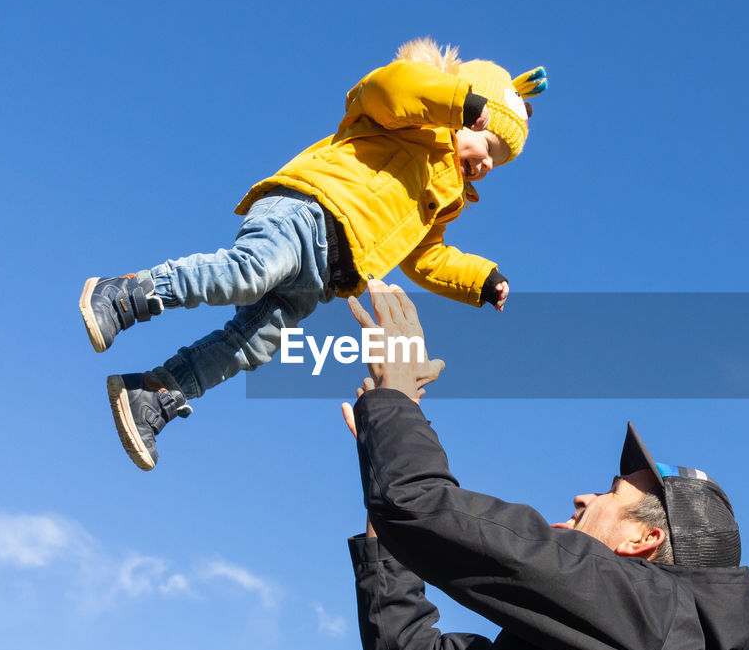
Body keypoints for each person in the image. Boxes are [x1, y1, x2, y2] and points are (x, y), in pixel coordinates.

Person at [341, 281, 749, 650]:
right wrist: (385, 488)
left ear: (643, 541)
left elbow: (422, 505)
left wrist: (395, 402)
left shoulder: (652, 606)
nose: (584, 496)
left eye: (611, 493)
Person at [79, 38, 546, 470]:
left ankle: (153, 392)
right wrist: (455, 98)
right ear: (463, 112)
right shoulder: (410, 121)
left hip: (325, 278)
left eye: (495, 165)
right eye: (488, 145)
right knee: (250, 272)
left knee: (256, 342)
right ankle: (125, 295)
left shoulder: (442, 200)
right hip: (306, 214)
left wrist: (481, 279)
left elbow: (426, 260)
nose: (485, 165)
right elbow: (388, 88)